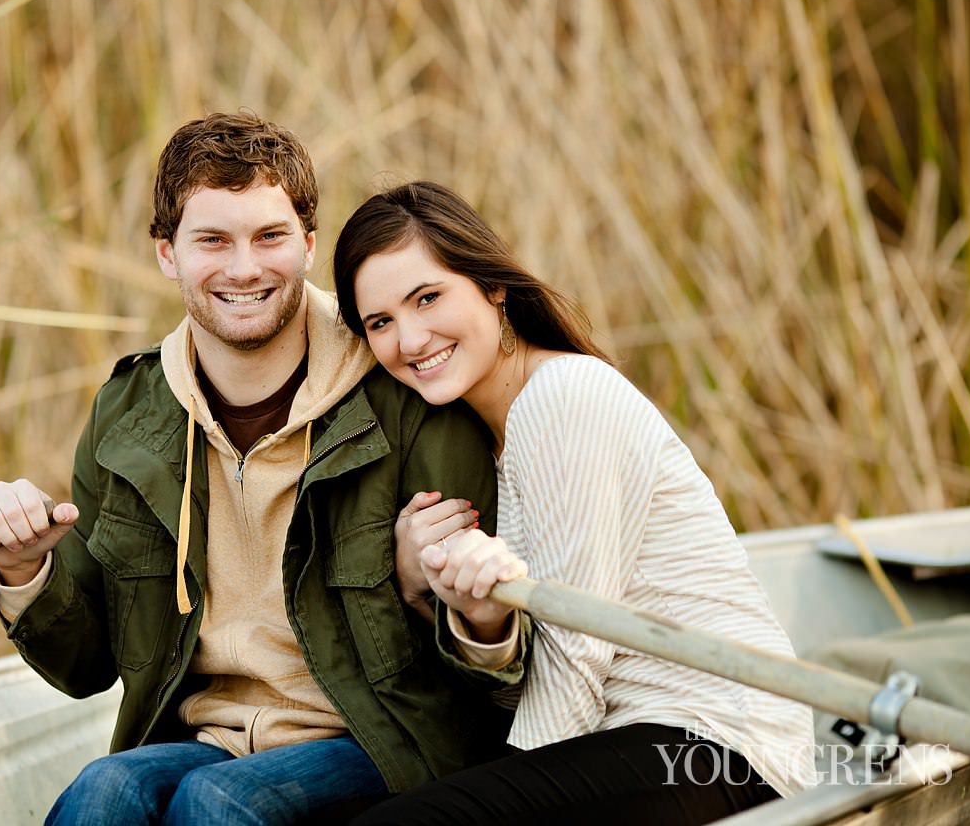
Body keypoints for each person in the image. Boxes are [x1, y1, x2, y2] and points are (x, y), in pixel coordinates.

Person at [0, 117, 524, 826]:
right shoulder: (130, 411)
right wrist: (21, 573)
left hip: (378, 740)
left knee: (218, 804)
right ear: (167, 254)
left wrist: (443, 595)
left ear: (309, 245)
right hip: (207, 739)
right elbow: (86, 666)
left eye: (269, 237)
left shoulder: (404, 393)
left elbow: (488, 654)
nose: (245, 268)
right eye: (212, 241)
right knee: (103, 789)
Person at [331, 180, 817, 824]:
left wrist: (501, 797)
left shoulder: (564, 397)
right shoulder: (484, 442)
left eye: (428, 298)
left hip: (718, 740)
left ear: (492, 285)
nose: (412, 339)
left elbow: (576, 657)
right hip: (627, 740)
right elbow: (533, 676)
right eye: (381, 322)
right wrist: (441, 602)